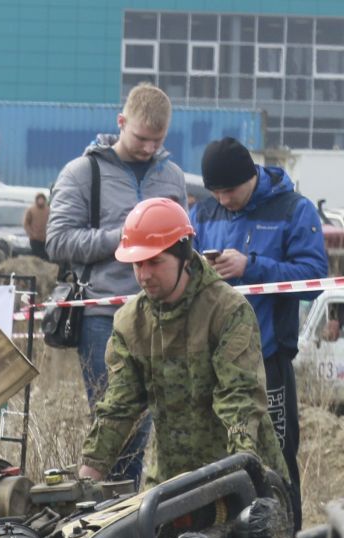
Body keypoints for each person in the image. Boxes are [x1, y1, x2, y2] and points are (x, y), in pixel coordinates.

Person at [76, 198, 288, 487]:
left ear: (185, 258)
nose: (144, 274)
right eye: (137, 263)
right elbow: (118, 406)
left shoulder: (226, 310)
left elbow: (240, 398)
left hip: (241, 471)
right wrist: (89, 474)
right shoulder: (130, 323)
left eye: (155, 262)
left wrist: (243, 469)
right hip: (173, 478)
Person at [47, 83, 188, 484]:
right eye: (141, 138)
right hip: (103, 314)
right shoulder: (81, 172)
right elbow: (57, 241)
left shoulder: (172, 176)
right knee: (118, 419)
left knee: (157, 419)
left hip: (164, 315)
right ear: (121, 123)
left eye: (156, 141)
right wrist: (124, 237)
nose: (147, 148)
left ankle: (131, 507)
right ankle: (113, 508)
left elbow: (183, 242)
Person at [191, 137, 329, 516]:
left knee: (276, 454)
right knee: (215, 454)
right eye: (214, 191)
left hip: (268, 356)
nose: (223, 199)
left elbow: (315, 279)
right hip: (212, 357)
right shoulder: (202, 214)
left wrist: (251, 266)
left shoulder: (293, 210)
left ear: (250, 177)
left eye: (229, 190)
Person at [22, 192, 49, 258]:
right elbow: (26, 223)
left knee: (45, 256)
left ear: (44, 200)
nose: (41, 201)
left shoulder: (49, 210)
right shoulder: (31, 210)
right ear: (36, 200)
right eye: (39, 199)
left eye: (42, 199)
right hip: (35, 239)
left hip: (46, 238)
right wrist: (31, 233)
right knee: (36, 256)